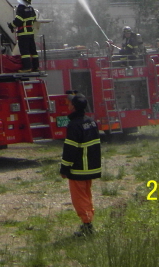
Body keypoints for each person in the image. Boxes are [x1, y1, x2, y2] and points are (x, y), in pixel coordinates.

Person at [60, 93, 101, 237]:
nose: (68, 105)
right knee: (86, 195)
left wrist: (64, 168)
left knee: (79, 198)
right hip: (91, 166)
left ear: (74, 107)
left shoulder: (74, 125)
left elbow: (70, 149)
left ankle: (87, 226)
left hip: (79, 168)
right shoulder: (91, 122)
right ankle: (88, 221)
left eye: (70, 103)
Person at [14, 0, 39, 73]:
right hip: (30, 33)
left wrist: (11, 25)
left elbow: (18, 21)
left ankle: (27, 67)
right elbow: (34, 18)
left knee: (25, 52)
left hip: (23, 33)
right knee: (33, 51)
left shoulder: (20, 8)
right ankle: (36, 67)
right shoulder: (31, 9)